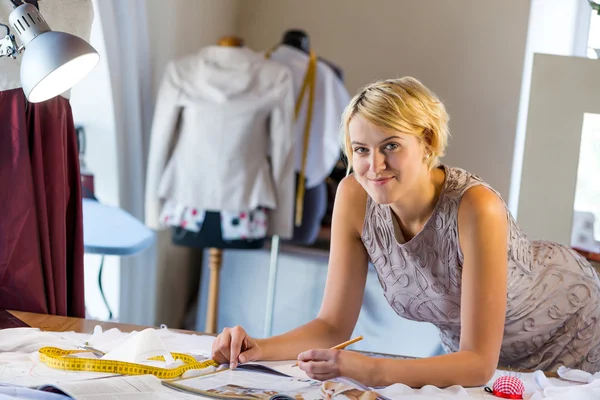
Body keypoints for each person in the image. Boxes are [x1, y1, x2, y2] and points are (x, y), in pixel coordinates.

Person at [211, 77, 600, 388]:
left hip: (570, 326)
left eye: (391, 145)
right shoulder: (354, 196)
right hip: (476, 359)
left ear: (428, 142)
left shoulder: (476, 207)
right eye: (360, 149)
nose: (374, 165)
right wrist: (258, 348)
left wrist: (371, 369)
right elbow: (331, 326)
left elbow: (478, 364)